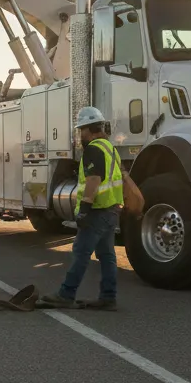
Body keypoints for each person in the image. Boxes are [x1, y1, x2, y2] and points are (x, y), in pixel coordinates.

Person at [42, 107, 123, 311]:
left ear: (89, 129)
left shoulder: (94, 149)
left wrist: (84, 208)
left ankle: (66, 294)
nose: (80, 136)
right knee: (107, 255)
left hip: (97, 211)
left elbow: (94, 180)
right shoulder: (109, 148)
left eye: (81, 131)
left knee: (81, 252)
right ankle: (108, 297)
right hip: (111, 210)